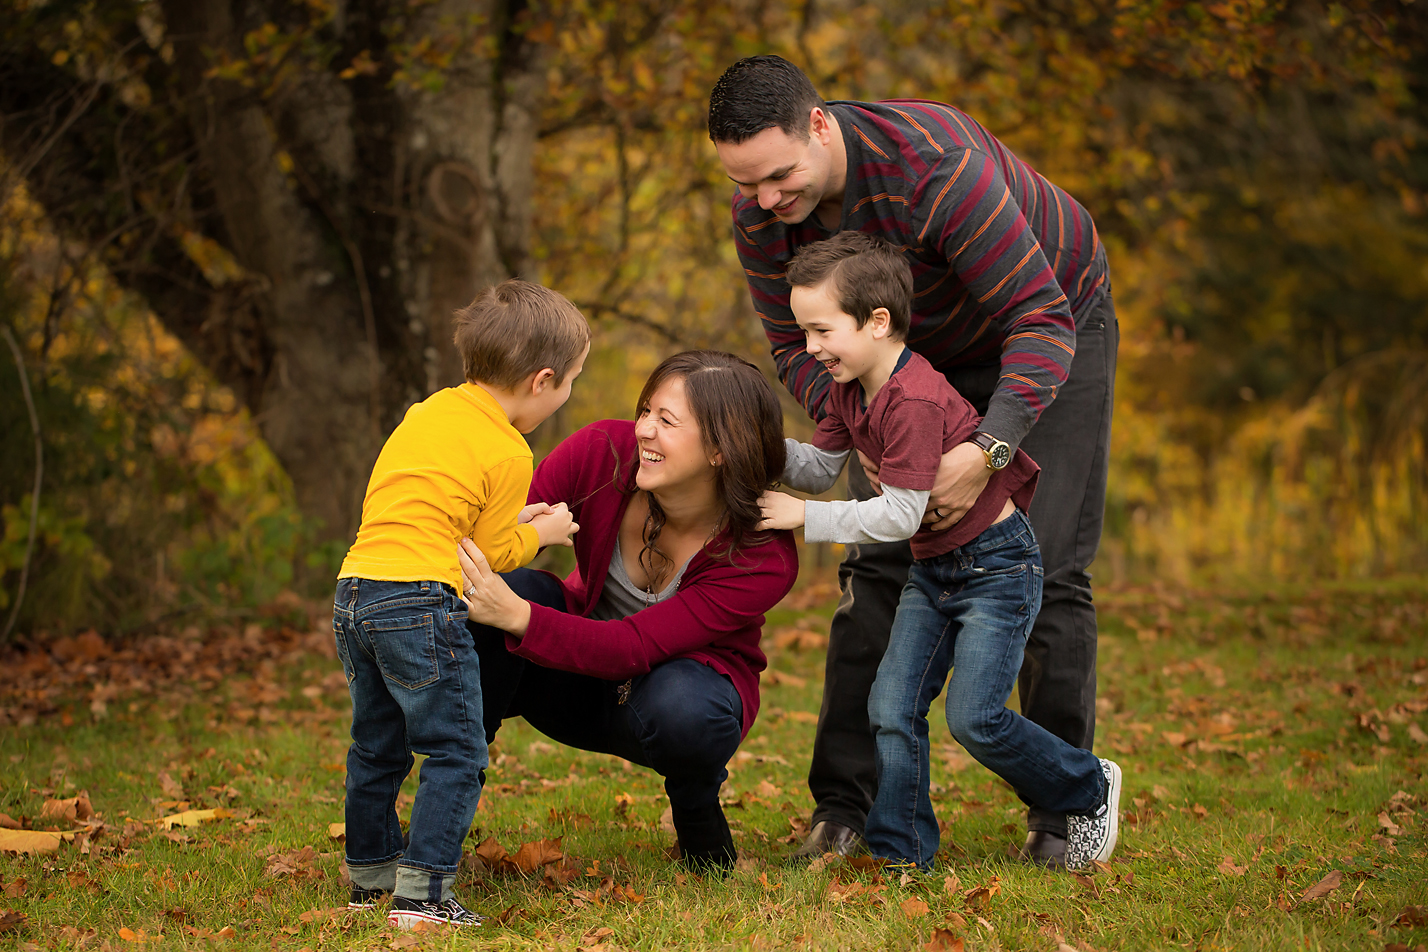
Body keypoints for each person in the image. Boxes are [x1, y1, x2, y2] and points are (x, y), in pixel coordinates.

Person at [709, 55, 1119, 867]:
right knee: (882, 562)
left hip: (1043, 324)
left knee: (1050, 562)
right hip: (897, 362)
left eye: (779, 176)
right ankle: (845, 808)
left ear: (819, 125)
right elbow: (794, 344)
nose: (764, 201)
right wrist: (852, 422)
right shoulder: (761, 212)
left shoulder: (936, 170)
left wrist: (985, 449)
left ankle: (1066, 807)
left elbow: (1039, 320)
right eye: (745, 182)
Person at [756, 232, 1121, 871]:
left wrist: (803, 519)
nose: (808, 349)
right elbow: (818, 467)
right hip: (935, 572)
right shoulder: (849, 388)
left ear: (877, 322)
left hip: (997, 569)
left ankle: (1089, 785)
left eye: (820, 331)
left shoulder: (913, 401)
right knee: (891, 708)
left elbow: (900, 514)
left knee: (976, 718)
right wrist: (753, 441)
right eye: (802, 331)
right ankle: (904, 856)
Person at [456, 351, 798, 873]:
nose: (644, 431)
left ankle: (696, 808)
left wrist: (519, 616)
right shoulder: (602, 454)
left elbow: (635, 646)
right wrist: (516, 536)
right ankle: (444, 817)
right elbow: (494, 538)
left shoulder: (761, 554)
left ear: (720, 449)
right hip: (573, 679)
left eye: (667, 421)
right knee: (512, 589)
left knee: (688, 709)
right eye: (646, 412)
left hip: (674, 699)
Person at [332, 279, 589, 930]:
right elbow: (493, 557)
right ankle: (422, 898)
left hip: (357, 588)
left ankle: (371, 876)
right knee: (456, 750)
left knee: (376, 744)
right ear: (542, 380)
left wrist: (514, 524)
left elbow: (449, 514)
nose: (565, 398)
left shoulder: (429, 413)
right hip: (421, 600)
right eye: (570, 385)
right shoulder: (508, 448)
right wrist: (545, 533)